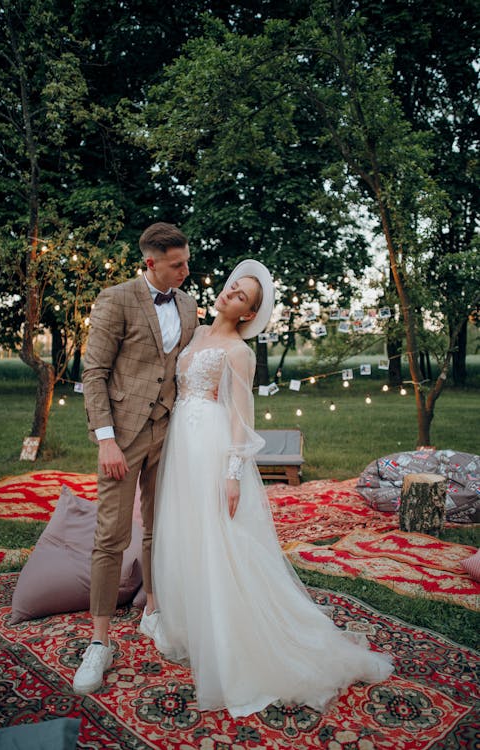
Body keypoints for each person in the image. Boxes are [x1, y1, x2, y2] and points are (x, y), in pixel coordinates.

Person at [149, 259, 394, 717]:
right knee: (184, 529)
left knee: (217, 537)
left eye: (240, 296)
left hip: (211, 444)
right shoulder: (196, 332)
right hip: (181, 439)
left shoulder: (240, 351)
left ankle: (231, 638)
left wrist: (233, 472)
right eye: (230, 288)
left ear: (247, 313)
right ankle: (190, 622)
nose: (229, 295)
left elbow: (243, 418)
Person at [73, 222, 199, 695]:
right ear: (150, 263)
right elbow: (95, 371)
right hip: (122, 437)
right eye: (177, 265)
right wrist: (105, 439)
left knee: (160, 527)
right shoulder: (117, 298)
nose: (186, 271)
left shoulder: (187, 304)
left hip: (171, 433)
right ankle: (99, 642)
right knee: (111, 535)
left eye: (186, 261)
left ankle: (153, 611)